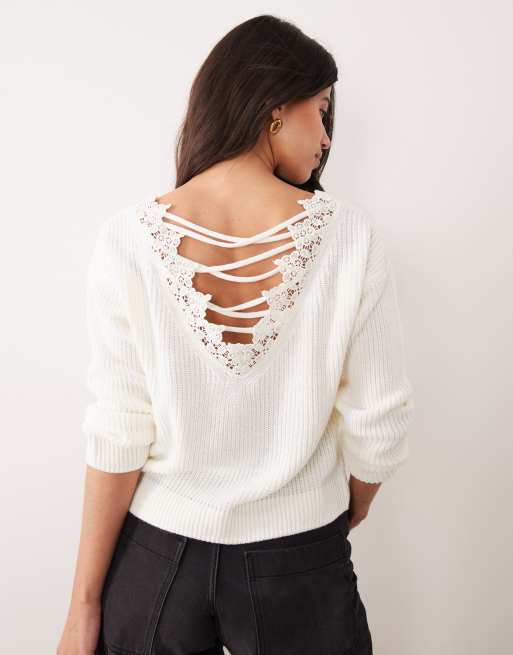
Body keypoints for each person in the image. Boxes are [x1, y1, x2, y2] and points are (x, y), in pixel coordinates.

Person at [57, 14, 414, 655]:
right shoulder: (349, 236)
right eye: (321, 111)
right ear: (275, 107)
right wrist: (346, 508)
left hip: (156, 562)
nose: (326, 139)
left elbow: (117, 431)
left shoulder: (127, 239)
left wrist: (83, 606)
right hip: (298, 560)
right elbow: (379, 425)